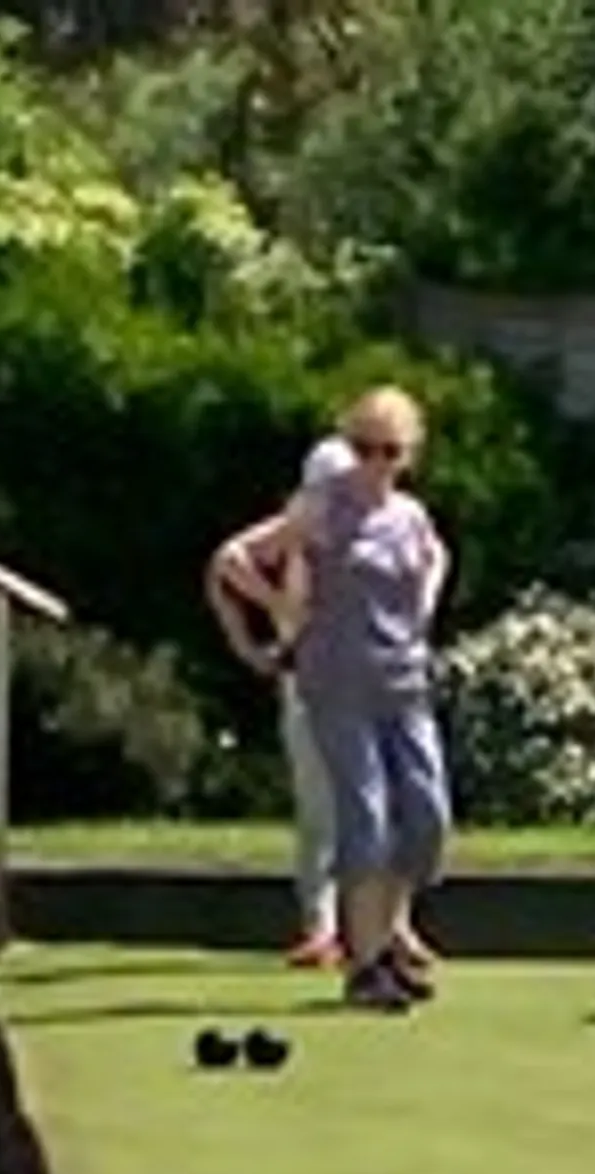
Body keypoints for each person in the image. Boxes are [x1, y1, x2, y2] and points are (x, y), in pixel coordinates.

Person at [208, 388, 453, 1013]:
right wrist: (277, 609)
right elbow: (234, 558)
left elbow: (433, 557)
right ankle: (366, 962)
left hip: (403, 681)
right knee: (364, 820)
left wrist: (425, 603)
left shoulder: (410, 516)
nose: (373, 463)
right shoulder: (322, 508)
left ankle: (393, 935)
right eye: (363, 448)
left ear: (406, 456)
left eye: (388, 451)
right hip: (336, 684)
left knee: (428, 818)